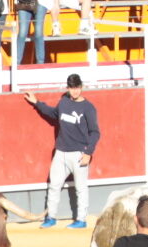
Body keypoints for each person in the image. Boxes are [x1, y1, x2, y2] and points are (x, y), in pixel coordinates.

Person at [26, 73, 99, 228]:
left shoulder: (88, 107)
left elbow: (95, 132)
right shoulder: (64, 102)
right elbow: (53, 113)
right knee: (54, 186)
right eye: (72, 88)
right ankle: (51, 217)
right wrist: (37, 103)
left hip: (79, 153)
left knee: (81, 188)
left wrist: (88, 152)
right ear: (68, 88)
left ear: (82, 87)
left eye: (77, 88)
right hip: (61, 152)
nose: (75, 91)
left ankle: (81, 220)